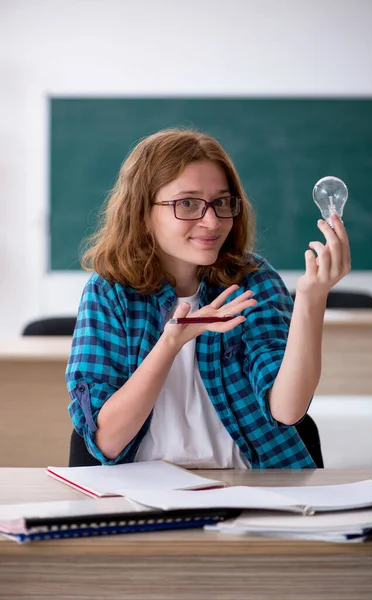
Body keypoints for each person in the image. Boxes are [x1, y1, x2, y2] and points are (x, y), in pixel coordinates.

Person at [66, 128, 351, 469]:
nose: (212, 221)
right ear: (142, 214)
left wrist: (311, 298)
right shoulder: (109, 291)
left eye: (221, 202)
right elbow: (106, 443)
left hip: (250, 488)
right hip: (142, 496)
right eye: (187, 203)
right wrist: (170, 343)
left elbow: (287, 410)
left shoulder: (254, 280)